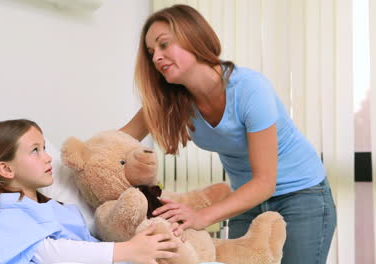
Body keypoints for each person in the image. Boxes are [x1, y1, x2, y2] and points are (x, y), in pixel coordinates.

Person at [119, 4, 336, 264]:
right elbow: (117, 142)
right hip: (247, 198)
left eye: (164, 44)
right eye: (152, 52)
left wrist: (201, 216)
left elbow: (265, 181)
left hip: (302, 195)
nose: (156, 58)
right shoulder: (172, 101)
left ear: (194, 37)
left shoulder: (249, 90)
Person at [0, 119, 178, 264]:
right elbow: (49, 254)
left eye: (44, 148)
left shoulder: (57, 209)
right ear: (6, 169)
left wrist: (152, 241)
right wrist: (128, 250)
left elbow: (90, 248)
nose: (47, 157)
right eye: (35, 150)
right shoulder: (5, 210)